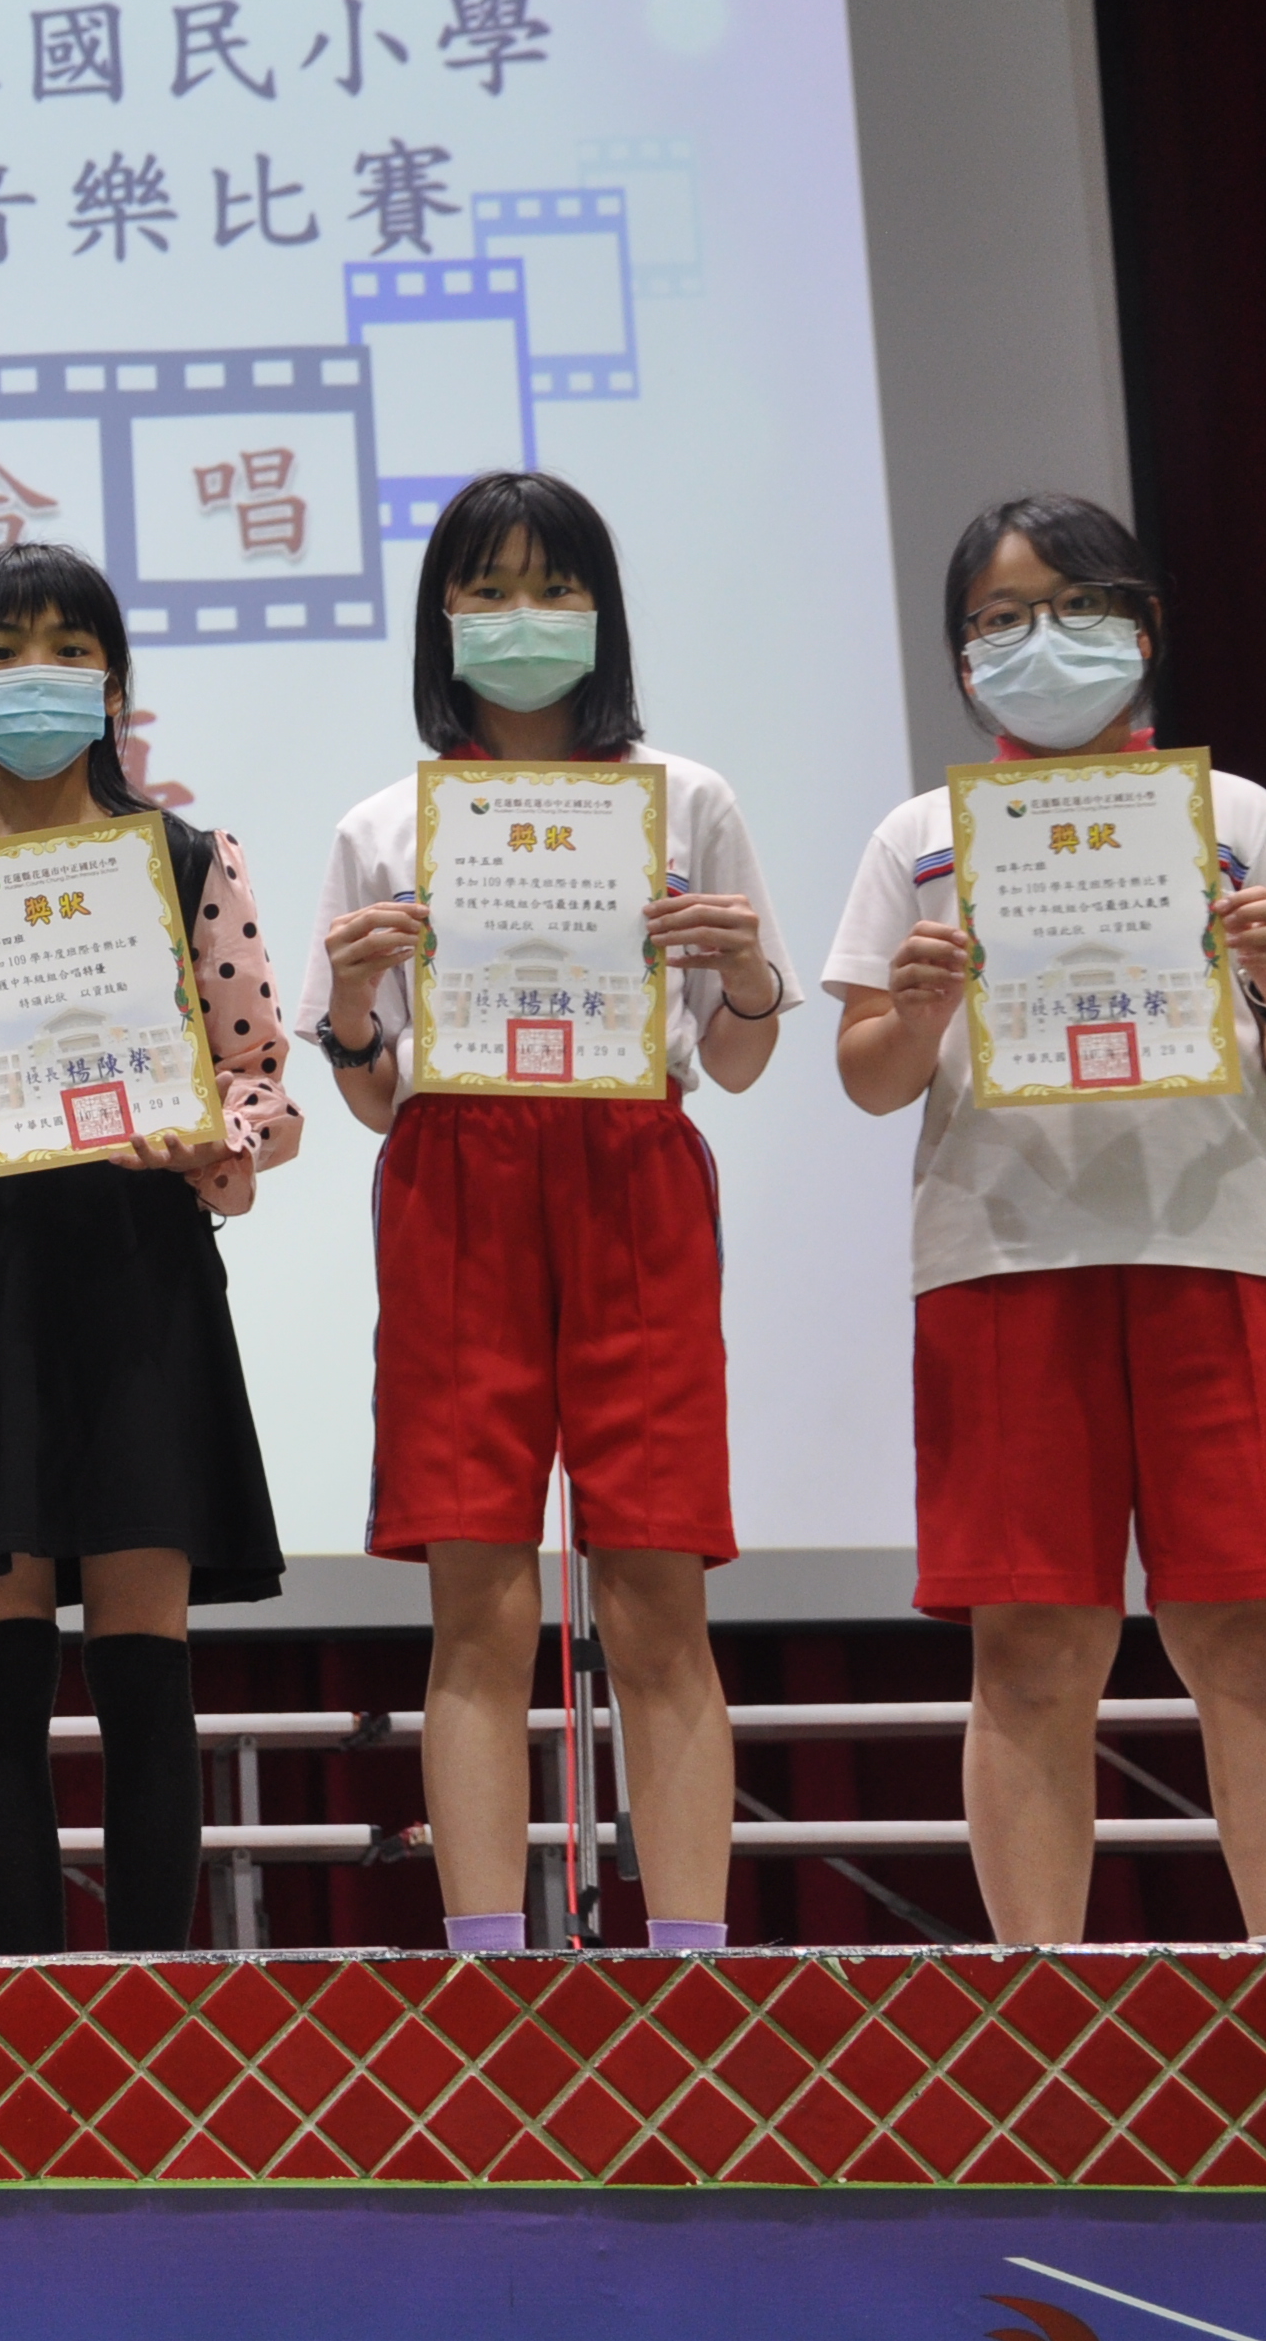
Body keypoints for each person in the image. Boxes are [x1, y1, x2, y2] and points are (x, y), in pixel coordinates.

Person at [824, 492, 1266, 1948]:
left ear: (1144, 627)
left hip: (1221, 1250)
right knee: (1031, 1651)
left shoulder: (1236, 817)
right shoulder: (919, 838)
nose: (1040, 641)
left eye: (1076, 609)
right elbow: (869, 1076)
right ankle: (1037, 2010)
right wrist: (915, 1011)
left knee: (1256, 1642)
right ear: (961, 656)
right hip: (1000, 1262)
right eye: (1001, 619)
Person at [298, 472, 791, 1956]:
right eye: (491, 590)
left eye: (555, 588)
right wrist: (357, 1004)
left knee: (657, 1597)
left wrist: (746, 973)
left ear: (603, 612)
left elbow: (741, 1060)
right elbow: (372, 1099)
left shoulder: (688, 800)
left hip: (636, 1167)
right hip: (455, 1181)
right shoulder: (382, 824)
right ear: (443, 617)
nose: (524, 617)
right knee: (478, 1606)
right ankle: (486, 1965)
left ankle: (691, 1968)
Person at [0, 543, 300, 1952]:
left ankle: (156, 2009)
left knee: (146, 1680)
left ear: (113, 684)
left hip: (141, 1280)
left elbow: (265, 1087)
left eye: (68, 650)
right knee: (1, 1683)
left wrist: (209, 1134)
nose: (35, 677)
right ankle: (22, 2021)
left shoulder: (190, 863)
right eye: (2, 652)